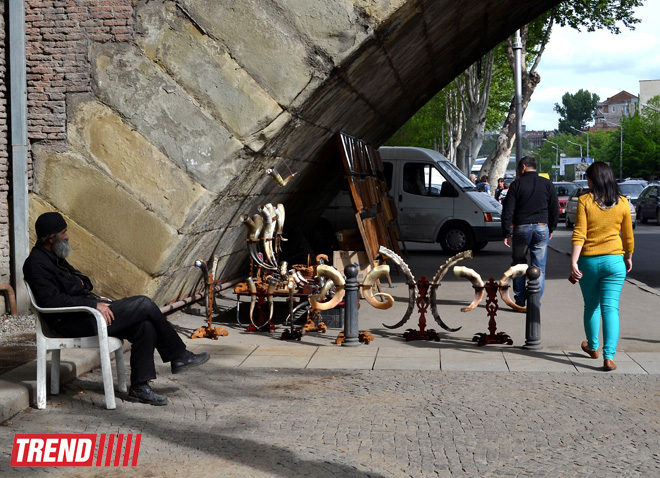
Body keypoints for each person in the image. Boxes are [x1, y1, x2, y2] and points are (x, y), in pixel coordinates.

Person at [23, 212, 210, 406]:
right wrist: (92, 304)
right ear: (51, 237)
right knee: (144, 303)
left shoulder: (55, 257)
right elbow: (51, 301)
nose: (67, 236)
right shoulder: (36, 264)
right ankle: (179, 355)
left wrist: (92, 298)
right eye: (64, 232)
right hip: (70, 322)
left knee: (145, 325)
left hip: (83, 314)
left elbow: (83, 283)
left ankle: (140, 387)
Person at [570, 162, 634, 372]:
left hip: (588, 261)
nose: (587, 182)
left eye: (588, 178)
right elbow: (628, 236)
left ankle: (592, 346)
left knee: (591, 306)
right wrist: (629, 256)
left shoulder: (585, 201)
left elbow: (580, 232)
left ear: (594, 179)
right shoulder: (623, 202)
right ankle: (608, 357)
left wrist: (573, 262)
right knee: (610, 308)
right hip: (615, 262)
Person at [501, 156, 559, 307]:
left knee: (519, 264)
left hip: (521, 229)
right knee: (539, 267)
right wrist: (551, 228)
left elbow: (508, 210)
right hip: (541, 228)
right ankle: (534, 301)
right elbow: (554, 209)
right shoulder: (547, 184)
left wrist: (506, 232)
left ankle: (520, 298)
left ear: (523, 167)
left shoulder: (516, 185)